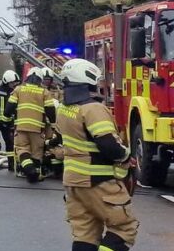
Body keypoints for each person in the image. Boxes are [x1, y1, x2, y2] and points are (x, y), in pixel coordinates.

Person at [58, 59, 138, 251]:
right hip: (98, 180)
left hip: (74, 182)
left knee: (85, 233)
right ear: (89, 79)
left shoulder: (64, 109)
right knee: (124, 228)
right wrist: (126, 157)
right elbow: (108, 144)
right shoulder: (93, 108)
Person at [10, 67, 57, 182]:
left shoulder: (18, 89)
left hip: (21, 127)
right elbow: (50, 110)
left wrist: (8, 119)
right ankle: (34, 173)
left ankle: (29, 170)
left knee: (22, 150)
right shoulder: (44, 92)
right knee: (37, 152)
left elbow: (9, 108)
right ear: (40, 79)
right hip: (38, 129)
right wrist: (53, 124)